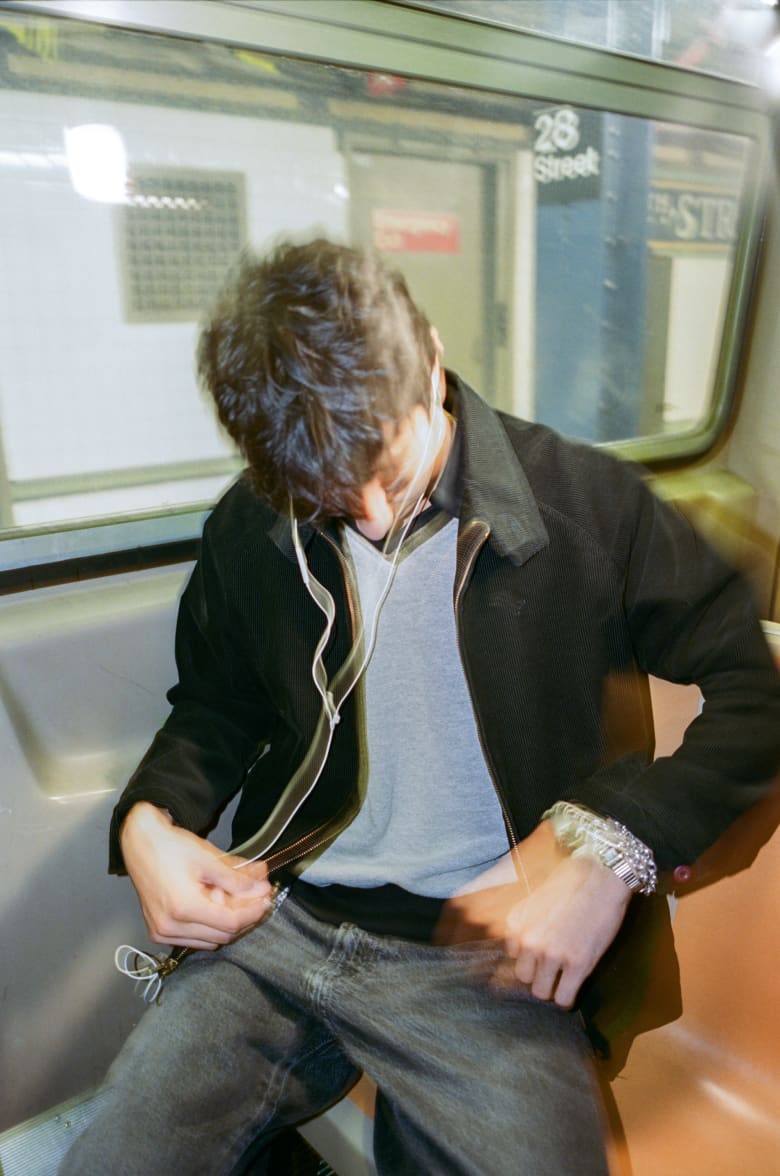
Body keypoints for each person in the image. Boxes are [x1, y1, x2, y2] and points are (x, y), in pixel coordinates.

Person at [61, 238, 780, 1176]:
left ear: (431, 362)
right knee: (114, 1158)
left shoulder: (586, 506)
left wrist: (615, 849)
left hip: (482, 949)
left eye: (386, 470)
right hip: (285, 916)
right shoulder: (253, 520)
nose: (365, 515)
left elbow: (757, 696)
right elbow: (216, 704)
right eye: (324, 493)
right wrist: (148, 824)